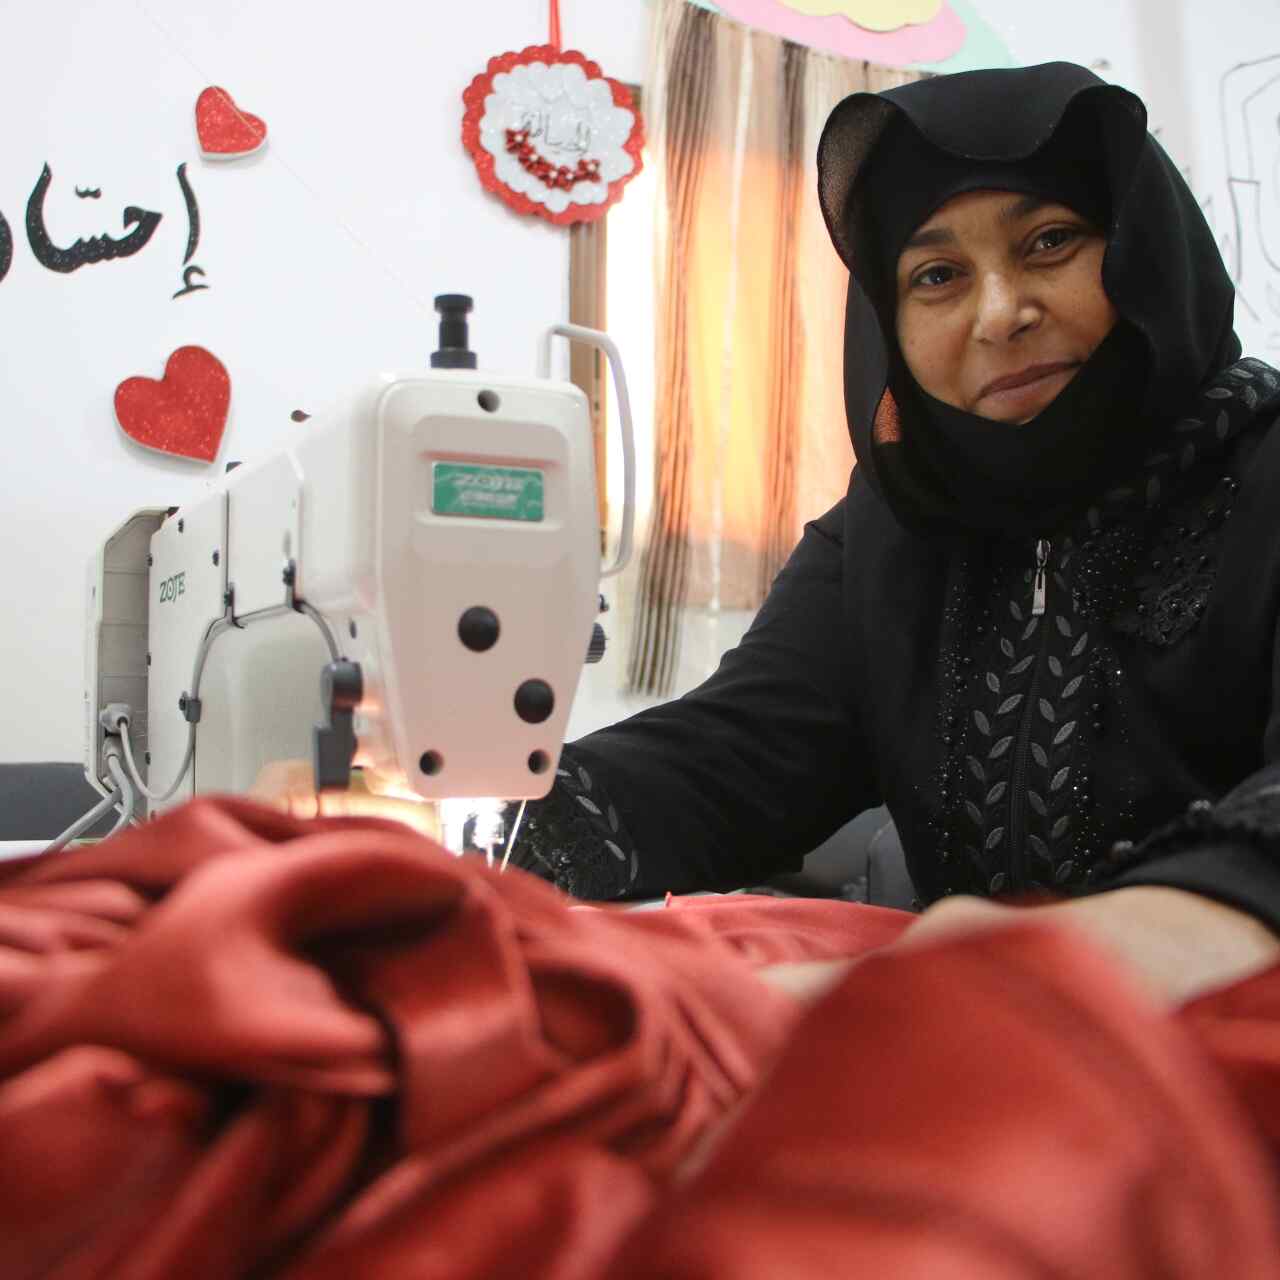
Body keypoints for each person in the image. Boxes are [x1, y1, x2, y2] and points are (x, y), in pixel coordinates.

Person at [506, 62, 1280, 1006]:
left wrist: (1136, 938)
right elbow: (735, 757)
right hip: (978, 1064)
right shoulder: (891, 531)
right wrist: (491, 835)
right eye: (939, 275)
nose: (1001, 314)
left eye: (1049, 241)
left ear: (1145, 249)